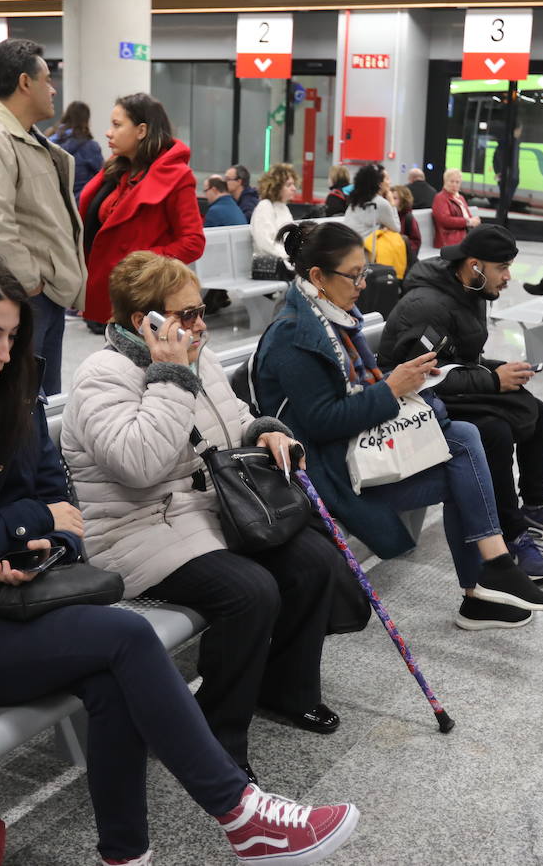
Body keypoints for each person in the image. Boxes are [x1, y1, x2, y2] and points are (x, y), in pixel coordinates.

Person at [0, 248, 359, 866]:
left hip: (6, 601)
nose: (3, 353)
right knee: (123, 640)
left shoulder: (8, 389)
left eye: (12, 335)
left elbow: (59, 504)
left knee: (111, 674)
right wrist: (21, 526)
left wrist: (40, 550)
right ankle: (240, 814)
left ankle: (126, 855)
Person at [64, 251, 349, 779]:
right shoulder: (102, 376)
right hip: (137, 528)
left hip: (204, 510)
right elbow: (138, 465)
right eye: (186, 315)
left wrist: (264, 430)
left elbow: (232, 420)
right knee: (250, 591)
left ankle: (285, 689)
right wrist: (170, 375)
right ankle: (213, 735)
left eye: (201, 311)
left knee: (313, 561)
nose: (200, 325)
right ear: (142, 322)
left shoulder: (199, 356)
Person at [254, 221, 543, 631]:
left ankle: (491, 575)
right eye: (355, 275)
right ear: (317, 277)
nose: (364, 284)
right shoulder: (296, 333)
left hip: (352, 448)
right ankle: (489, 578)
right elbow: (320, 425)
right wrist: (392, 389)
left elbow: (361, 387)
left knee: (466, 438)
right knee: (467, 450)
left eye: (365, 271)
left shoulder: (331, 316)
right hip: (326, 470)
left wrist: (396, 383)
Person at [378, 224, 543, 577]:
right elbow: (421, 376)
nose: (508, 277)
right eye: (502, 268)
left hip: (445, 390)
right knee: (493, 432)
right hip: (414, 404)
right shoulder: (427, 305)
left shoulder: (469, 290)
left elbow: (461, 359)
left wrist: (499, 369)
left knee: (538, 411)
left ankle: (536, 505)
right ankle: (511, 536)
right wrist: (492, 379)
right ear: (475, 265)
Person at [0, 38, 86, 396]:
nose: (53, 89)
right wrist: (29, 282)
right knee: (22, 400)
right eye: (47, 80)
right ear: (25, 83)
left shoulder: (28, 138)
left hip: (43, 295)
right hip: (20, 296)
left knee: (43, 398)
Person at [79, 92, 204, 330]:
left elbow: (193, 242)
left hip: (146, 295)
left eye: (117, 125)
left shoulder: (176, 176)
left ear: (141, 131)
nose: (108, 132)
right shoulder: (117, 171)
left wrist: (141, 264)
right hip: (111, 289)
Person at [49, 101, 105, 201]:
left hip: (56, 203)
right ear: (86, 120)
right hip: (81, 204)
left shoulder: (49, 142)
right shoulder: (90, 146)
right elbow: (102, 176)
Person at [250, 162, 298, 266]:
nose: (294, 188)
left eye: (293, 184)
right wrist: (290, 258)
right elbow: (265, 243)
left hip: (285, 261)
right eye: (288, 185)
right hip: (271, 264)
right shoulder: (265, 206)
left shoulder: (283, 208)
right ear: (276, 187)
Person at [342, 163, 399, 241]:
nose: (390, 182)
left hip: (350, 245)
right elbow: (396, 229)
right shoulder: (380, 203)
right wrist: (392, 203)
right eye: (387, 179)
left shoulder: (355, 201)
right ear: (379, 183)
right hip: (367, 249)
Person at [432, 168, 480, 248]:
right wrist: (468, 222)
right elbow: (445, 221)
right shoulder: (440, 198)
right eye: (451, 181)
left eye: (457, 182)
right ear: (445, 182)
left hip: (463, 237)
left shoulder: (460, 198)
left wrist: (474, 221)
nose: (454, 184)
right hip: (448, 240)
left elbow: (468, 216)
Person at [391, 185, 421, 264]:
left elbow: (416, 241)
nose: (391, 201)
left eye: (395, 198)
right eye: (390, 198)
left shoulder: (408, 218)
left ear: (403, 201)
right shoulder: (389, 216)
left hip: (404, 258)